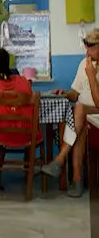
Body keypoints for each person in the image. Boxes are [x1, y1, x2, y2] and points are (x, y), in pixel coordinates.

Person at [41, 29, 99, 197]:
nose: (87, 52)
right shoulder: (84, 63)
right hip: (85, 113)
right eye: (86, 47)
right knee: (78, 120)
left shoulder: (89, 69)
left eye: (91, 48)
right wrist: (65, 93)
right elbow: (76, 93)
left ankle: (60, 160)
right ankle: (77, 181)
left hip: (95, 109)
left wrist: (91, 77)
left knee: (79, 110)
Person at [0, 47, 42, 189]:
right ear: (8, 63)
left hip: (0, 134)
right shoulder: (23, 81)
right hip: (26, 135)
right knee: (0, 132)